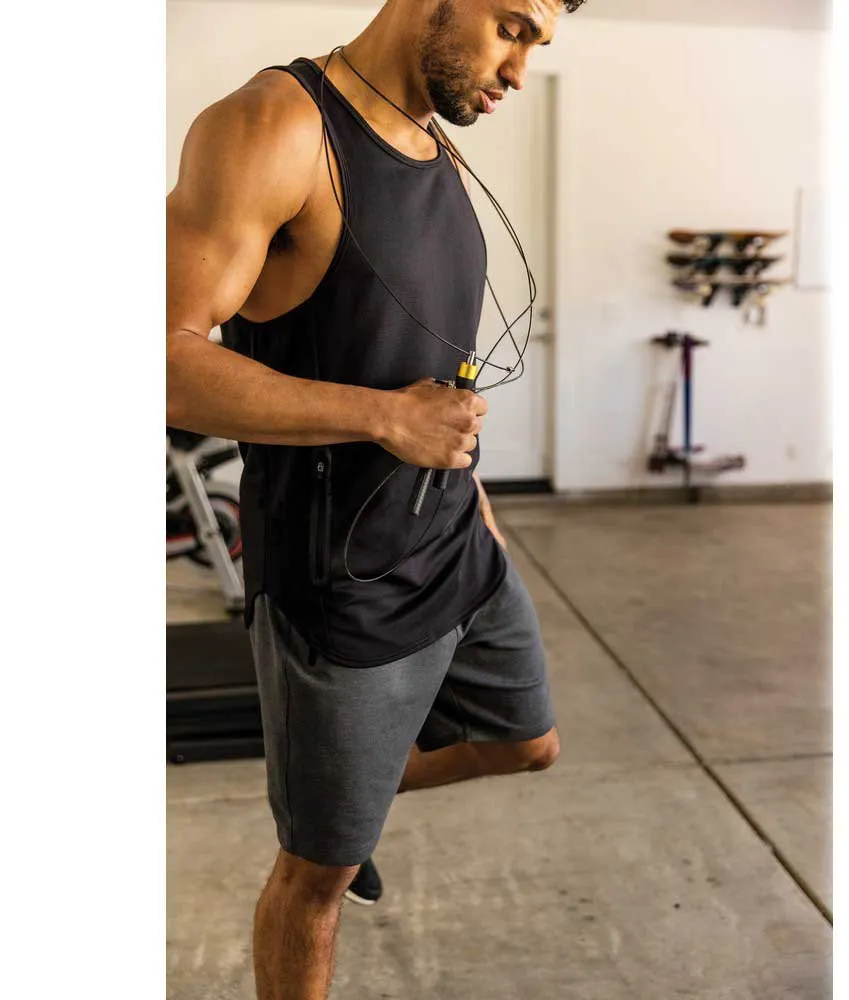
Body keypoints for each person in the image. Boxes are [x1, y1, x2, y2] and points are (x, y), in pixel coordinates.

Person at [166, 0, 587, 995]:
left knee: (526, 743)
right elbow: (161, 363)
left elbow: (433, 370)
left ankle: (350, 790)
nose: (519, 71)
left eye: (537, 45)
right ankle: (334, 824)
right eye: (512, 28)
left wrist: (479, 510)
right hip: (337, 581)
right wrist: (385, 419)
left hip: (456, 541)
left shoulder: (440, 150)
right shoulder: (275, 128)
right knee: (314, 879)